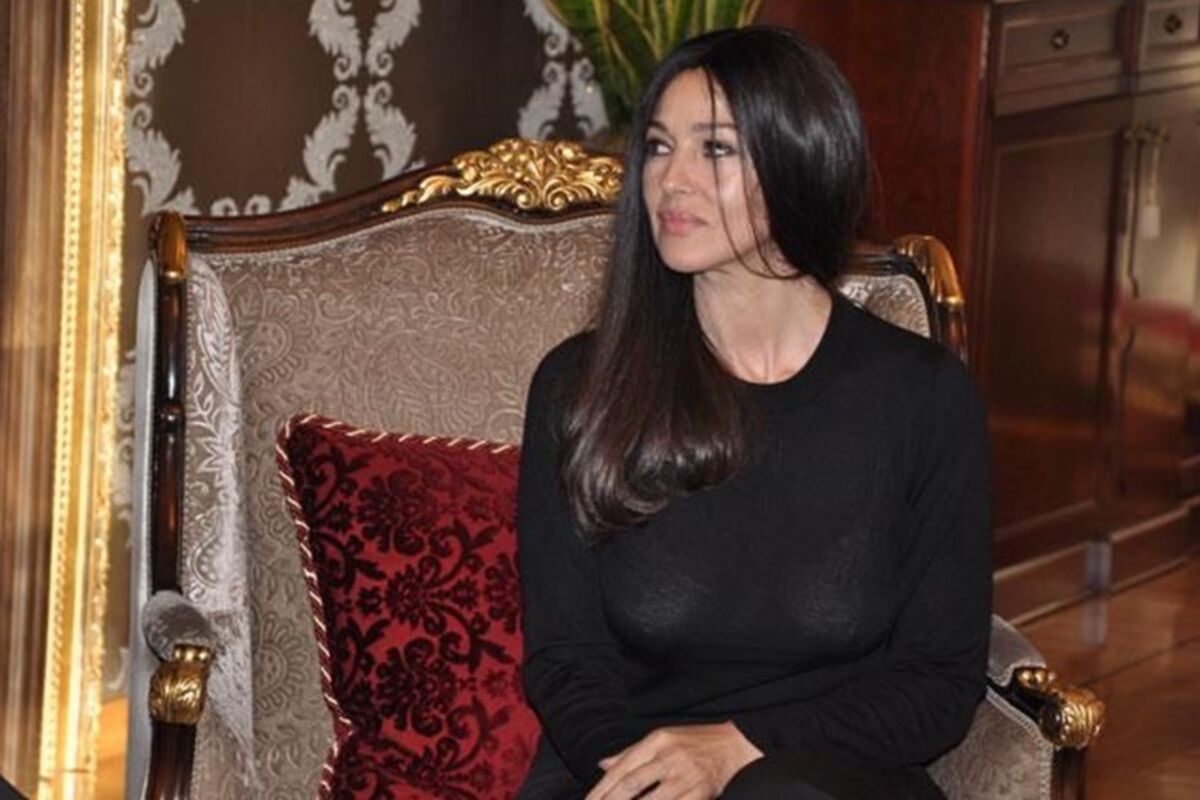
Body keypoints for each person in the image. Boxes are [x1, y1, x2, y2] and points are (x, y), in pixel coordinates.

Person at [515, 26, 992, 800]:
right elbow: (566, 661)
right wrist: (657, 779)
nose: (672, 180)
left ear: (801, 157)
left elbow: (940, 679)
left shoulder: (920, 396)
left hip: (836, 776)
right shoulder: (581, 386)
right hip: (623, 773)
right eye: (659, 147)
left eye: (716, 149)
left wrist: (737, 752)